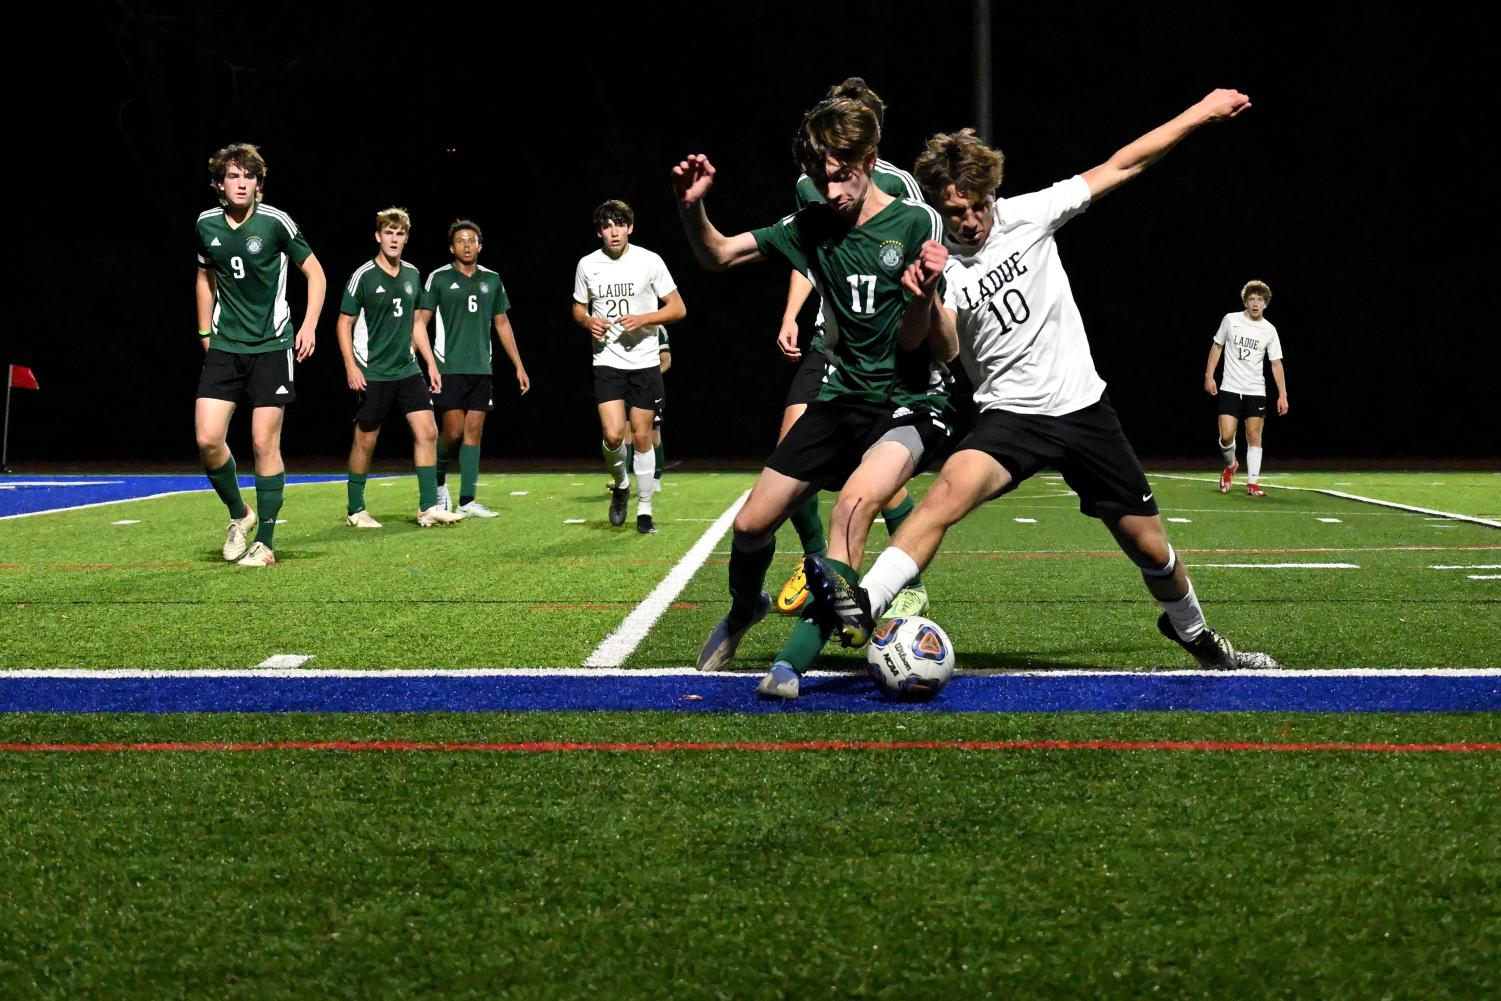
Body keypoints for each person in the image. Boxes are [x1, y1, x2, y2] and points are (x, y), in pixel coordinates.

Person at [807, 89, 1261, 673]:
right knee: (946, 494)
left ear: (990, 194)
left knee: (1153, 550)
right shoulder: (933, 256)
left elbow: (1124, 163)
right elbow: (937, 347)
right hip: (1009, 417)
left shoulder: (1031, 213)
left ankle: (1196, 634)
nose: (967, 222)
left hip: (1082, 408)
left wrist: (1202, 111)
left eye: (975, 207)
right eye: (954, 212)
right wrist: (922, 295)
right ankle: (865, 605)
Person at [673, 95, 954, 700]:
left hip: (909, 401)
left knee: (849, 511)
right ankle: (745, 610)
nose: (830, 187)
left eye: (841, 173)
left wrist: (922, 294)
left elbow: (921, 342)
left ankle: (790, 666)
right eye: (820, 176)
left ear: (868, 159)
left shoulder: (914, 222)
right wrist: (691, 209)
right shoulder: (813, 225)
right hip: (842, 397)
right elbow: (718, 254)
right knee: (750, 525)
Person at [772, 77, 930, 620]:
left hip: (882, 345)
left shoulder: (900, 187)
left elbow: (913, 258)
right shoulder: (810, 183)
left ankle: (903, 575)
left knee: (876, 474)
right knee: (791, 444)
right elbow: (812, 253)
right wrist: (794, 312)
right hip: (830, 333)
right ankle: (820, 566)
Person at [194, 142, 326, 567]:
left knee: (262, 441)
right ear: (219, 184)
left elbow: (316, 273)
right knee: (208, 439)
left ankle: (265, 543)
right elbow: (204, 277)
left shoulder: (275, 223)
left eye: (248, 176)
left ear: (258, 183)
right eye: (233, 176)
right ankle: (240, 515)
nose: (242, 183)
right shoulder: (206, 224)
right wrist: (204, 331)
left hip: (272, 346)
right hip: (226, 345)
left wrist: (307, 326)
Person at [336, 208, 462, 529]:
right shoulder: (363, 276)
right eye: (389, 233)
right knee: (366, 440)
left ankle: (427, 508)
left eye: (400, 234)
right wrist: (351, 366)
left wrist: (430, 363)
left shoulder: (411, 274)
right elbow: (343, 323)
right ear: (378, 236)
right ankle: (355, 509)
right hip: (372, 370)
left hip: (407, 369)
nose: (394, 239)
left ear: (406, 238)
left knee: (428, 431)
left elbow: (416, 324)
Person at [572, 200, 686, 534]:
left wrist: (645, 318)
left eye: (620, 224)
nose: (614, 231)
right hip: (607, 360)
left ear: (630, 227)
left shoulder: (650, 261)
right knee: (611, 434)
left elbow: (678, 308)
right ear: (599, 232)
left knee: (641, 436)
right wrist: (587, 321)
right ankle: (621, 485)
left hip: (645, 362)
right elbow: (578, 308)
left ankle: (645, 511)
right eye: (607, 226)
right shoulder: (587, 265)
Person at [412, 220, 530, 519]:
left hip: (481, 368)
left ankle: (467, 500)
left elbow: (502, 324)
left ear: (480, 245)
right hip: (448, 366)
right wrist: (413, 356)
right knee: (452, 431)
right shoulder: (438, 278)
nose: (467, 245)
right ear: (452, 247)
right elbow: (420, 321)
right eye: (461, 241)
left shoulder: (492, 279)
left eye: (472, 240)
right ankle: (438, 484)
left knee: (473, 433)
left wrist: (518, 365)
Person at [1204, 281, 1286, 496]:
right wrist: (1209, 376)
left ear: (1266, 303)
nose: (1255, 303)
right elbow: (1217, 346)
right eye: (1251, 299)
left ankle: (1252, 483)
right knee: (1227, 436)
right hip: (1230, 387)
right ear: (1245, 301)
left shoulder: (1269, 330)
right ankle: (1231, 465)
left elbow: (1276, 363)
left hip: (1255, 390)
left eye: (1260, 299)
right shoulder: (1231, 320)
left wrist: (1283, 394)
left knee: (1253, 435)